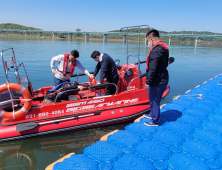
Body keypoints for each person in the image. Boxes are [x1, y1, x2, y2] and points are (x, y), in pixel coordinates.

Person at [144, 30, 169, 126]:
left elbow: (153, 68)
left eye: (148, 41)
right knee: (156, 99)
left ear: (151, 39)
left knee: (154, 99)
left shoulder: (156, 51)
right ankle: (153, 114)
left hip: (157, 80)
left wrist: (148, 81)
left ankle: (155, 120)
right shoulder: (164, 47)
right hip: (164, 78)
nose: (148, 43)